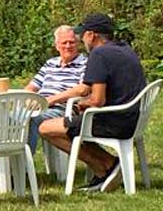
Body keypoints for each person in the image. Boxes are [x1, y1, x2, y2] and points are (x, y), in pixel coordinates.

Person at [38, 12, 147, 192]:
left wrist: (82, 104)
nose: (81, 40)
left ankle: (107, 165)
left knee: (46, 128)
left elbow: (97, 100)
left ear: (92, 35)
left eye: (82, 35)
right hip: (133, 118)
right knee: (73, 126)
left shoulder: (99, 54)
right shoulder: (125, 49)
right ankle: (107, 169)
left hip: (114, 121)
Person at [21, 24, 89, 151]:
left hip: (62, 109)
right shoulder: (50, 63)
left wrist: (49, 101)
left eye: (72, 42)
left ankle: (23, 162)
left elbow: (81, 90)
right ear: (57, 46)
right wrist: (29, 100)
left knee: (31, 120)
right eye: (64, 43)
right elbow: (30, 88)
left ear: (78, 44)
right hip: (39, 107)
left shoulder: (85, 63)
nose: (68, 46)